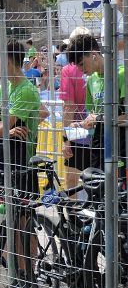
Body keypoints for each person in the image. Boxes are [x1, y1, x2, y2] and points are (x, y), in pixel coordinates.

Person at [0, 39, 42, 288]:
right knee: (5, 215)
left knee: (22, 222)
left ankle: (28, 275)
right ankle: (17, 273)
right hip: (4, 159)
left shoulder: (26, 90)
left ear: (7, 61)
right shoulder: (3, 88)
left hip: (23, 164)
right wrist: (0, 126)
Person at [67, 33, 126, 176]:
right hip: (98, 147)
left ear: (93, 54)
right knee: (96, 193)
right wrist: (81, 124)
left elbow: (125, 116)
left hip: (120, 146)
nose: (80, 69)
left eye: (81, 64)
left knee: (118, 194)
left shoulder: (121, 74)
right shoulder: (91, 81)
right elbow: (93, 117)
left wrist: (100, 119)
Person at [59, 35, 90, 190]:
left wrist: (66, 139)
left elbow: (69, 107)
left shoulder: (68, 70)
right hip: (99, 134)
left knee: (71, 182)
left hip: (77, 134)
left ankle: (72, 214)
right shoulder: (101, 68)